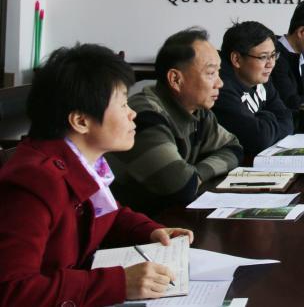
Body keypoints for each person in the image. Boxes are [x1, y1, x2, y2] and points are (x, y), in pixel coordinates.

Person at [0, 44, 194, 306]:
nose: (132, 113)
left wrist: (150, 231)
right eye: (123, 104)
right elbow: (12, 290)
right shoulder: (33, 183)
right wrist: (119, 284)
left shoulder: (83, 162)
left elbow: (104, 213)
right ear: (81, 121)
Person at [107, 28, 243, 214]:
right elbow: (182, 186)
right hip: (131, 223)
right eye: (211, 73)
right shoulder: (145, 116)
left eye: (218, 73)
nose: (220, 83)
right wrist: (193, 177)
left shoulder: (198, 110)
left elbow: (233, 148)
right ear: (175, 79)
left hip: (165, 217)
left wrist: (197, 173)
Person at [214, 20, 294, 154]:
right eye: (263, 57)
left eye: (273, 56)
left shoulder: (260, 77)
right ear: (236, 59)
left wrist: (261, 120)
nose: (271, 64)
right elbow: (259, 139)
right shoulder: (220, 88)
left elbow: (287, 119)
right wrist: (270, 116)